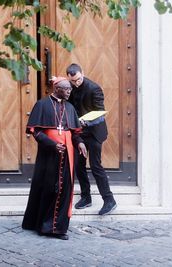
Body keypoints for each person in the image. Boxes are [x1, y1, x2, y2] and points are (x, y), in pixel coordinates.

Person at [22, 77, 87, 240]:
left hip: (67, 155)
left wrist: (80, 143)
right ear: (57, 88)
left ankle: (58, 228)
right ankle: (43, 225)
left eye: (70, 89)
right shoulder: (42, 105)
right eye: (66, 89)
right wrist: (51, 144)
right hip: (48, 156)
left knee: (64, 189)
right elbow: (35, 131)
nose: (69, 92)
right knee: (49, 188)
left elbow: (75, 132)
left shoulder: (70, 107)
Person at [66, 63, 117, 215]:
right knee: (79, 166)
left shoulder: (94, 88)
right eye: (73, 81)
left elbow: (100, 113)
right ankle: (86, 197)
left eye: (78, 80)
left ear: (83, 73)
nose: (76, 83)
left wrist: (85, 122)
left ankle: (109, 200)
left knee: (95, 166)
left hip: (94, 132)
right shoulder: (70, 85)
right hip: (79, 133)